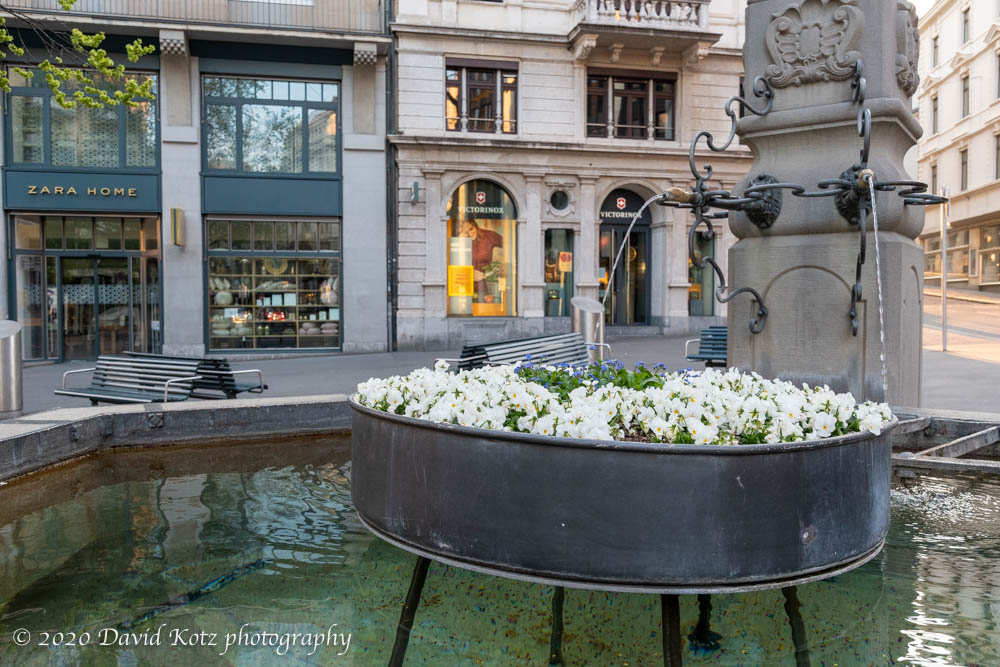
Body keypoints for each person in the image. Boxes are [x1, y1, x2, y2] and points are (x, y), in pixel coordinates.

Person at [459, 220, 504, 299]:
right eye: (466, 232)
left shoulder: (489, 236)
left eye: (471, 229)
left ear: (475, 226)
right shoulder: (460, 241)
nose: (470, 234)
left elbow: (509, 245)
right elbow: (453, 263)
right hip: (465, 286)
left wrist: (501, 267)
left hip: (487, 287)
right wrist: (469, 272)